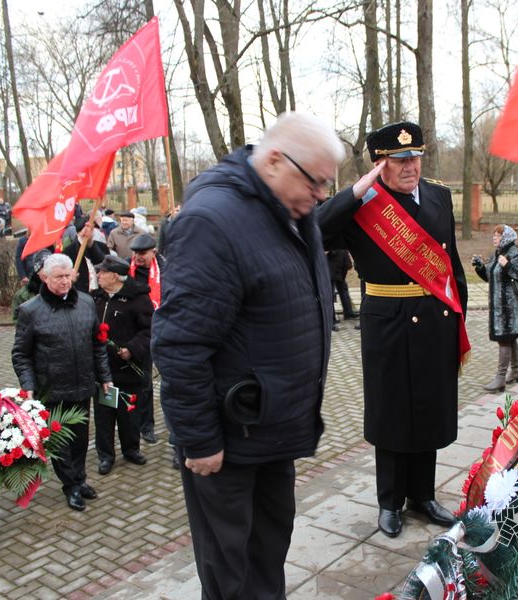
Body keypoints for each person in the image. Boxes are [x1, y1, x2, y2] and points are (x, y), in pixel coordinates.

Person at [151, 112, 340, 599]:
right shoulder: (212, 221)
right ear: (275, 160)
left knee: (268, 552)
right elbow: (179, 344)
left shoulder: (287, 210)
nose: (321, 195)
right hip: (227, 446)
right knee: (230, 571)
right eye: (316, 181)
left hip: (273, 429)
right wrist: (199, 441)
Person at [316, 121, 468, 538]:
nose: (410, 166)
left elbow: (450, 262)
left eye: (415, 157)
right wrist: (355, 191)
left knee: (430, 410)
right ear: (378, 165)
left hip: (436, 320)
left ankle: (423, 495)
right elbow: (314, 229)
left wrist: (461, 317)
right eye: (399, 160)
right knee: (393, 412)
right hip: (388, 324)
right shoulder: (363, 205)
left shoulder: (438, 195)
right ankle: (390, 502)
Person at [12, 253, 112, 511]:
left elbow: (97, 344)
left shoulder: (87, 303)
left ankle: (79, 479)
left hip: (82, 385)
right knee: (60, 443)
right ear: (45, 278)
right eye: (59, 277)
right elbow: (21, 353)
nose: (65, 281)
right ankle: (71, 485)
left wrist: (105, 378)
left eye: (68, 276)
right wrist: (28, 385)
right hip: (52, 388)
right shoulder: (30, 310)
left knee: (80, 439)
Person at [91, 255, 152, 475]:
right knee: (105, 414)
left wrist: (132, 349)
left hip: (127, 368)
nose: (98, 275)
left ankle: (131, 449)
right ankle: (106, 455)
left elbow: (148, 331)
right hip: (105, 371)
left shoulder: (138, 298)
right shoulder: (96, 298)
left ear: (115, 276)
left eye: (101, 272)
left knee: (128, 412)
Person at [473, 225, 518, 392]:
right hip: (499, 306)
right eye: (494, 235)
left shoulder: (515, 253)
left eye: (498, 235)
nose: (494, 238)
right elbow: (491, 277)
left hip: (510, 308)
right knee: (510, 338)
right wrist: (481, 267)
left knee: (505, 339)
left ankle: (500, 378)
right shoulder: (497, 253)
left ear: (506, 238)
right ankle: (516, 371)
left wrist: (508, 266)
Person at [128, 233, 163, 444]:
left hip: (164, 332)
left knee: (172, 383)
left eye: (142, 253)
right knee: (144, 383)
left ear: (154, 252)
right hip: (141, 334)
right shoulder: (126, 269)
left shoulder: (166, 269)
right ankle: (146, 426)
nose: (138, 257)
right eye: (135, 253)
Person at [326, 249, 358, 329]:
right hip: (332, 266)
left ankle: (348, 313)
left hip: (340, 263)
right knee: (330, 295)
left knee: (343, 291)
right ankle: (331, 318)